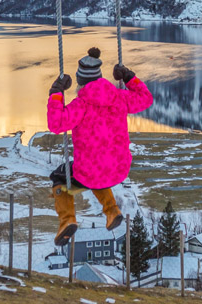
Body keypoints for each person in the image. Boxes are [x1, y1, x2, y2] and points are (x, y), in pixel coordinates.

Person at [46, 47, 152, 246]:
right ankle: (112, 211)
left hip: (89, 173)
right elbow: (146, 98)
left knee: (61, 177)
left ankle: (67, 220)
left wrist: (56, 94)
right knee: (96, 173)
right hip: (119, 170)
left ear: (79, 81)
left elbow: (56, 123)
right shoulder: (119, 98)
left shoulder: (81, 105)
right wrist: (129, 77)